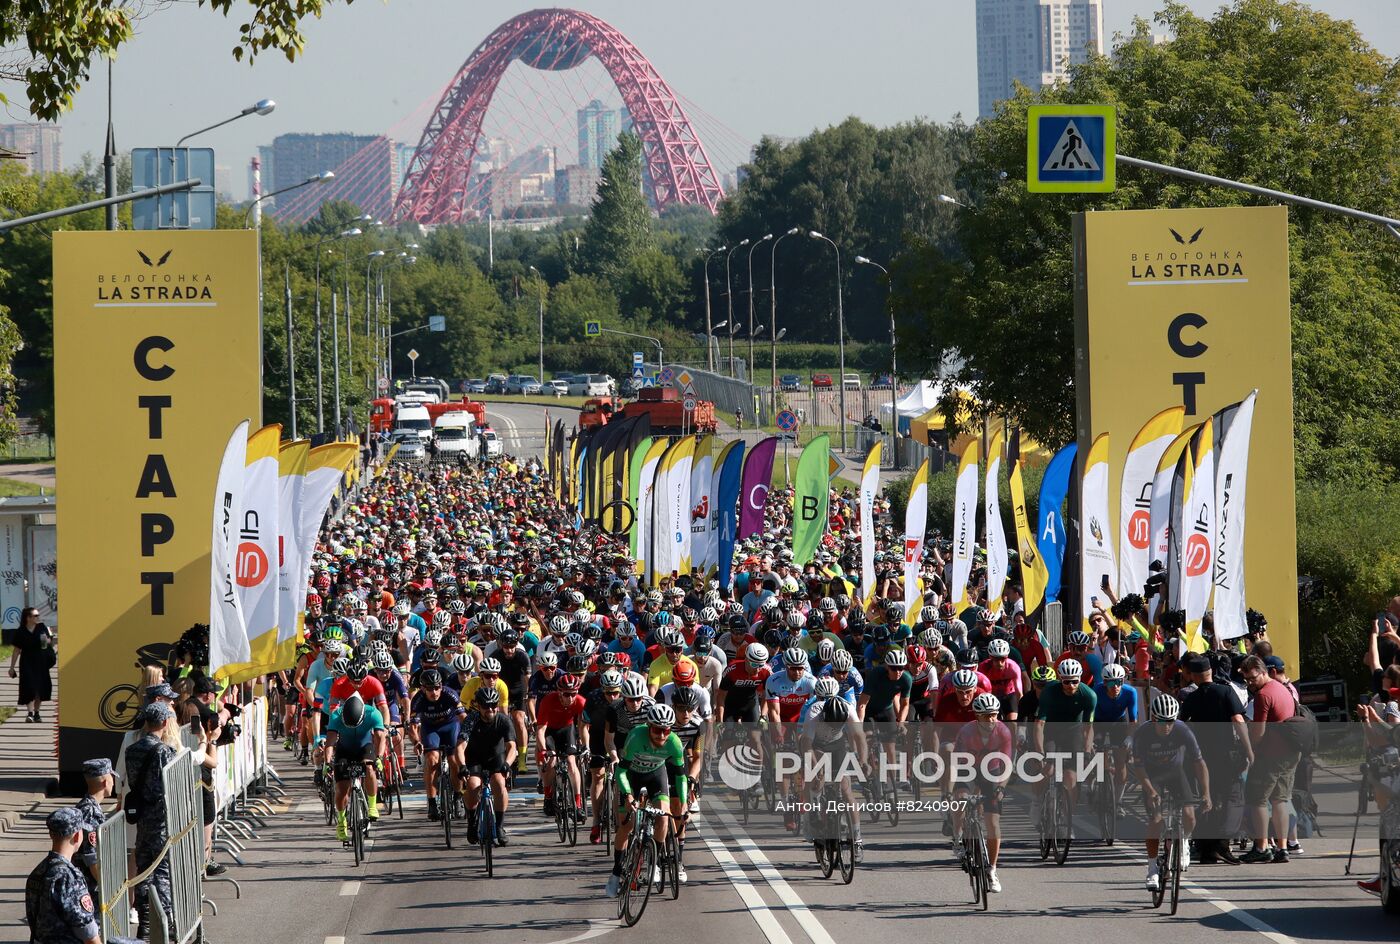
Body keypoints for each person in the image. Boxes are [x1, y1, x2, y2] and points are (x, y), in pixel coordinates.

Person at [1132, 693, 1211, 891]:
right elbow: (1139, 768)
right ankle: (1151, 870)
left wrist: (1206, 792)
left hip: (1176, 774)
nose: (1166, 726)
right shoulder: (1143, 733)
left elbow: (1199, 762)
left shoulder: (1183, 730)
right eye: (1161, 722)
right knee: (1156, 819)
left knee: (1189, 815)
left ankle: (1183, 841)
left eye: (1170, 722)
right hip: (1152, 776)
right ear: (1153, 719)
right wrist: (1150, 791)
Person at [1179, 653, 1251, 864]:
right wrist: (1249, 749)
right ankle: (1222, 844)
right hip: (1226, 755)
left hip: (1200, 756)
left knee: (1206, 798)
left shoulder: (1191, 698)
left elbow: (1181, 724)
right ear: (1210, 671)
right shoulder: (1225, 691)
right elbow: (1238, 720)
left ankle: (1206, 848)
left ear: (1193, 676)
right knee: (1232, 798)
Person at [123, 703, 179, 938]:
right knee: (162, 871)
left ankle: (145, 921)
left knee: (144, 869)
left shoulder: (132, 749)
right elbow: (168, 787)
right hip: (161, 819)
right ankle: (163, 923)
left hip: (142, 816)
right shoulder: (164, 751)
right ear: (165, 723)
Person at [1240, 654, 1302, 863]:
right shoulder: (1282, 688)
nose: (1250, 684)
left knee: (1257, 799)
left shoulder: (1263, 695)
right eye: (1247, 680)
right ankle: (1282, 847)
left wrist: (1250, 751)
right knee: (1280, 799)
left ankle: (1262, 845)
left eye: (1253, 678)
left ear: (1264, 672)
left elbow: (1258, 732)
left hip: (1270, 755)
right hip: (1290, 752)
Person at [24, 807, 103, 944]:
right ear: (77, 835)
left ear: (51, 834)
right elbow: (87, 932)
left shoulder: (38, 872)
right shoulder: (69, 877)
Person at [324, 692, 387, 841]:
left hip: (365, 747)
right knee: (341, 790)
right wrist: (327, 764)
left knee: (370, 768)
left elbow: (380, 737)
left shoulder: (373, 713)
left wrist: (379, 758)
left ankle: (372, 805)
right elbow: (330, 743)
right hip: (344, 750)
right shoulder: (336, 716)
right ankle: (341, 821)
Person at [73, 758, 115, 898]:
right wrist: (107, 886)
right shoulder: (91, 813)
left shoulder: (85, 806)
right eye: (111, 777)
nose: (113, 782)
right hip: (90, 887)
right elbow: (92, 859)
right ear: (105, 782)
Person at [8, 606, 55, 722]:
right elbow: (17, 650)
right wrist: (12, 667)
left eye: (38, 615)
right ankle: (30, 713)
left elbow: (48, 643)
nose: (38, 617)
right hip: (27, 662)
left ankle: (37, 713)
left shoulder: (42, 627)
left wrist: (47, 640)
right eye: (35, 615)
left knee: (39, 688)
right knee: (28, 687)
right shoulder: (20, 631)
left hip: (41, 661)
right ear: (28, 618)